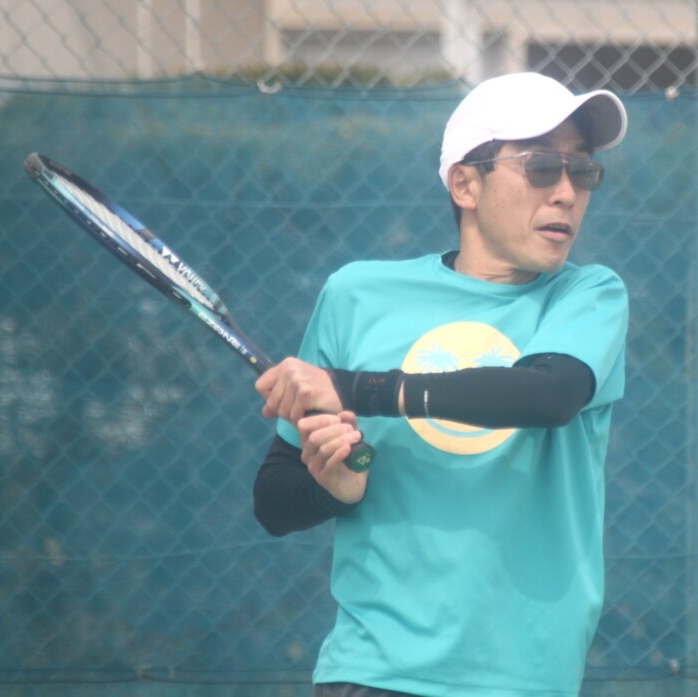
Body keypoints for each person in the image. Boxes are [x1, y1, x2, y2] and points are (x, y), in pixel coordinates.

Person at [252, 72, 629, 697]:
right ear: (465, 184)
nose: (566, 192)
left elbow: (548, 395)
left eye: (582, 170)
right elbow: (274, 499)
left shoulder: (588, 294)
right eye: (541, 167)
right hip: (371, 672)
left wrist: (357, 389)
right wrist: (334, 489)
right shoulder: (356, 294)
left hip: (524, 680)